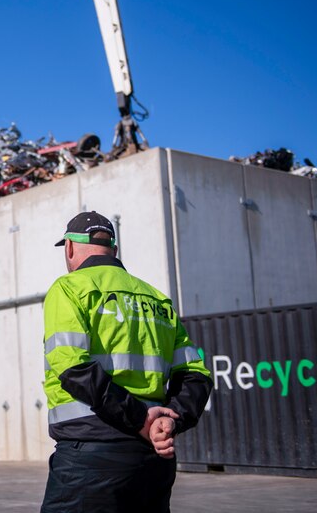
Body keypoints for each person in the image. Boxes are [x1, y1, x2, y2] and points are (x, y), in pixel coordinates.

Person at [41, 211, 212, 513]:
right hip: (153, 459)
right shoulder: (156, 298)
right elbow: (196, 374)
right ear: (114, 250)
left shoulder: (69, 288)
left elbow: (73, 368)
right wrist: (170, 419)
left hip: (90, 455)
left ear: (69, 247)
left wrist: (140, 420)